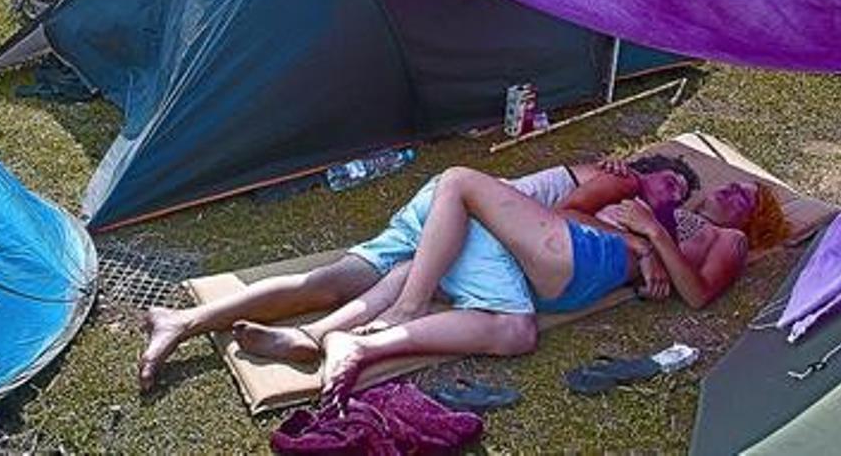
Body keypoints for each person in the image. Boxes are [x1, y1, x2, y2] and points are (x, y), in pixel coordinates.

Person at [138, 155, 700, 391]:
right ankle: (188, 321)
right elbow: (557, 228)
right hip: (459, 217)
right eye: (673, 183)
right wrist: (644, 237)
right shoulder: (616, 185)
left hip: (451, 222)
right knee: (347, 283)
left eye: (682, 196)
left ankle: (204, 322)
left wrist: (648, 245)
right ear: (642, 172)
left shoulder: (627, 216)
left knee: (338, 281)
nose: (676, 200)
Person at [278, 170, 789, 402]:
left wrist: (652, 236)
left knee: (458, 182)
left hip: (575, 260)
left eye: (747, 196)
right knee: (485, 305)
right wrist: (646, 235)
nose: (733, 189)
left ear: (754, 222)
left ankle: (400, 311)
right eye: (734, 183)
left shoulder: (727, 240)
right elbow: (572, 212)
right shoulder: (665, 209)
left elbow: (698, 295)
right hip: (561, 269)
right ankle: (340, 338)